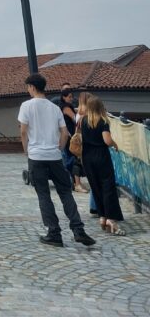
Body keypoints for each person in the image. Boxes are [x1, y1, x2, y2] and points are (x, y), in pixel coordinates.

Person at [18, 73, 94, 247]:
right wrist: (59, 148)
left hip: (36, 156)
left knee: (44, 195)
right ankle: (78, 229)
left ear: (31, 87)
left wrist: (26, 150)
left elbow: (23, 131)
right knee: (65, 192)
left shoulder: (26, 106)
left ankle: (54, 233)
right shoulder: (54, 108)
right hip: (54, 155)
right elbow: (65, 132)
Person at [80, 94, 125, 236]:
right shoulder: (103, 121)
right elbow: (107, 140)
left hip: (87, 158)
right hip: (101, 157)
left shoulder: (83, 120)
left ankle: (102, 217)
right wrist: (115, 144)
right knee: (108, 187)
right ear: (100, 107)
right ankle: (111, 219)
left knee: (96, 187)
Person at [59, 87, 78, 186]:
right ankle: (68, 177)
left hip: (69, 134)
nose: (71, 98)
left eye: (72, 97)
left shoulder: (65, 106)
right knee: (72, 157)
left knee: (70, 156)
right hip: (70, 135)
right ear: (64, 97)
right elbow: (75, 118)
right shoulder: (66, 107)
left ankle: (72, 179)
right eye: (69, 97)